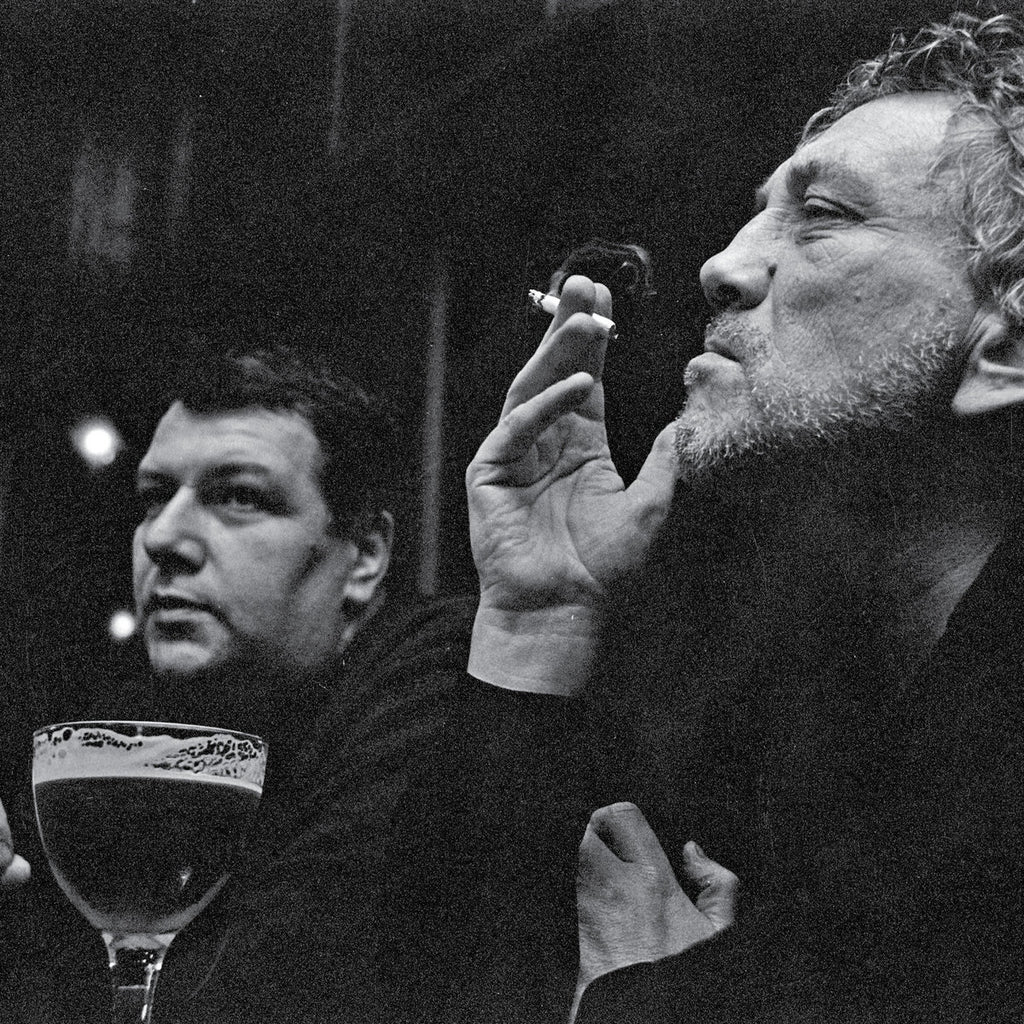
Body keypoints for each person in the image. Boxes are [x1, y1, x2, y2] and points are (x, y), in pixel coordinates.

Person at [465, 9, 1024, 1022]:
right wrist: (535, 620)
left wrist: (660, 1002)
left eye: (822, 215)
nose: (722, 264)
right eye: (756, 213)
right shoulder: (788, 710)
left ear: (1007, 348)